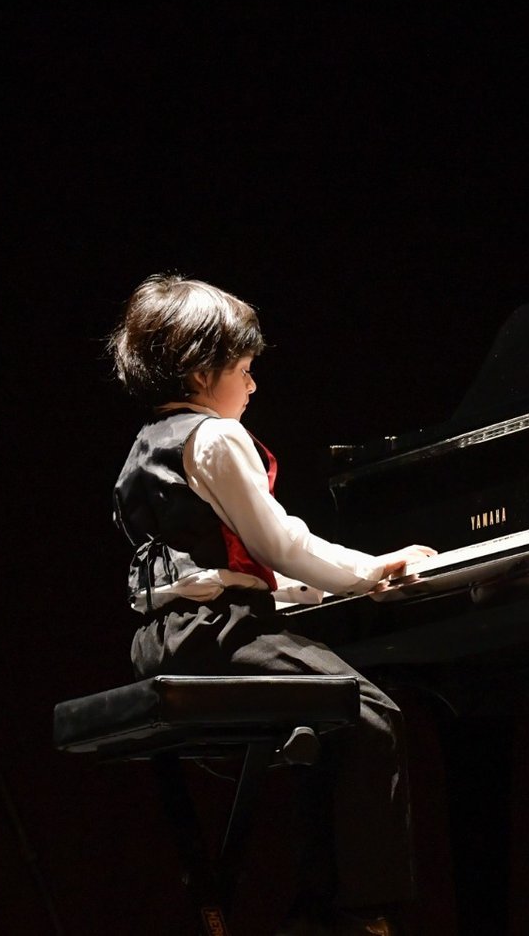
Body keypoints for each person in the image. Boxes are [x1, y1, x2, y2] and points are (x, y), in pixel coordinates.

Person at [107, 273, 436, 936]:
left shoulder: (145, 447)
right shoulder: (217, 437)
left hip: (161, 639)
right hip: (219, 633)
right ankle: (353, 915)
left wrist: (302, 589)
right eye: (247, 369)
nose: (253, 386)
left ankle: (319, 907)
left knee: (327, 726)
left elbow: (211, 564)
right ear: (204, 371)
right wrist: (370, 570)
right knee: (370, 713)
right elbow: (281, 541)